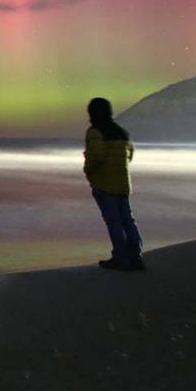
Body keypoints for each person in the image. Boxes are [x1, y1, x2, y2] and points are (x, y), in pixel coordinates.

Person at [84, 97, 144, 271]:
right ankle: (136, 256)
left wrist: (88, 171)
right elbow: (129, 155)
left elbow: (96, 155)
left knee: (114, 222)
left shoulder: (95, 132)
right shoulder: (121, 132)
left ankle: (120, 258)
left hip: (104, 183)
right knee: (128, 220)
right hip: (123, 183)